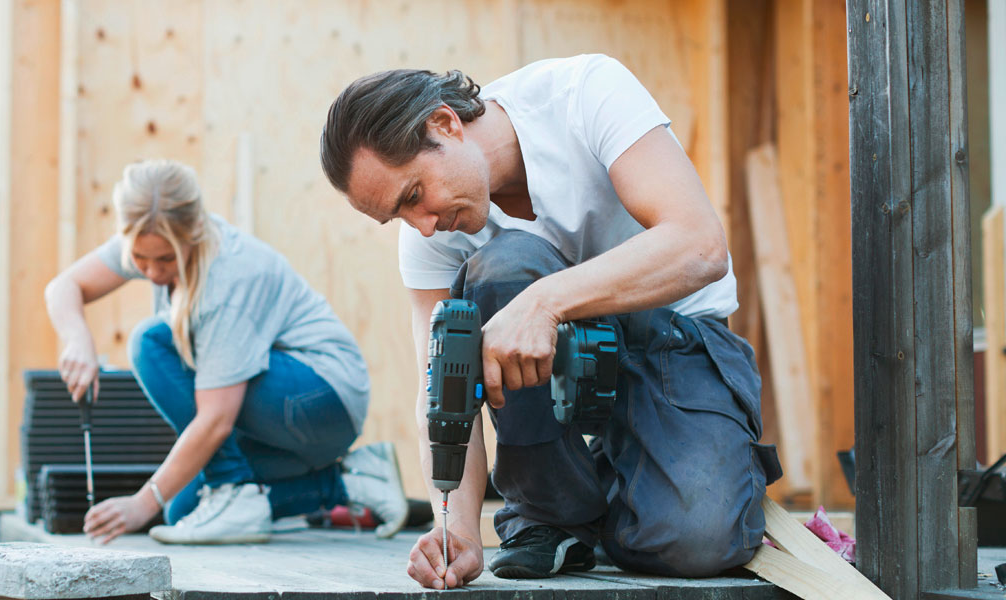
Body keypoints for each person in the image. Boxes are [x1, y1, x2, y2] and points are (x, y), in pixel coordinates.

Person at [320, 55, 782, 588]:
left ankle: (621, 483)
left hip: (674, 337)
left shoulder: (584, 94)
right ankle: (551, 515)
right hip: (548, 377)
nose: (422, 228)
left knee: (696, 542)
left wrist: (545, 303)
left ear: (444, 124)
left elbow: (700, 247)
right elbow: (442, 389)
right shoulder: (432, 232)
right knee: (502, 270)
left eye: (414, 196)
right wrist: (460, 530)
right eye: (398, 216)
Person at [45, 159, 407, 545]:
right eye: (139, 259)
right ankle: (353, 482)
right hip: (281, 412)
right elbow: (64, 286)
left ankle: (233, 488)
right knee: (182, 510)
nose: (151, 271)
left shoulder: (227, 279)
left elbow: (216, 420)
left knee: (150, 343)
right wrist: (77, 337)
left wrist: (140, 502)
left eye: (165, 259)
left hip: (321, 397)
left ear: (193, 233)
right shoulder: (149, 237)